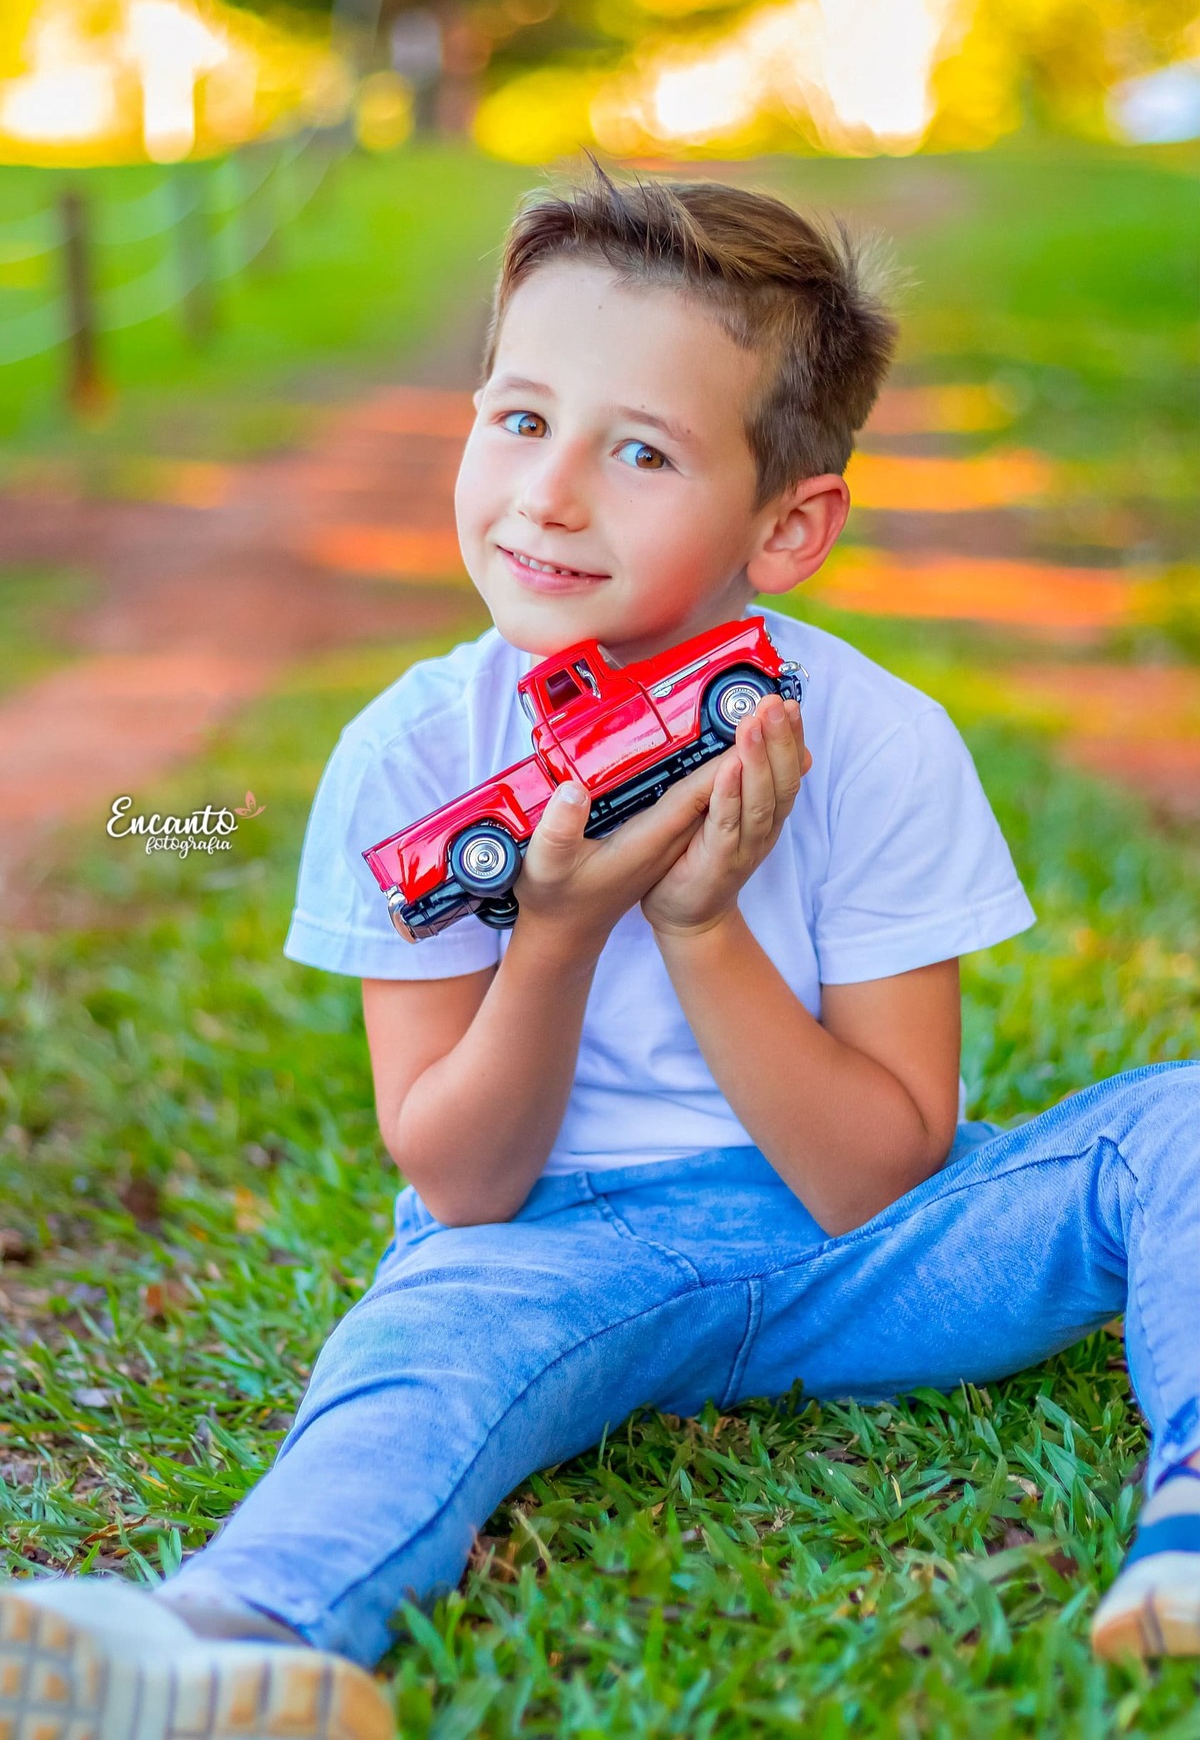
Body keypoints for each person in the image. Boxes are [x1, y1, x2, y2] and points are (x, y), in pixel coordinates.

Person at [3, 160, 1197, 1735]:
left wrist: (700, 925)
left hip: (869, 1256)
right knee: (417, 1351)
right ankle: (229, 1631)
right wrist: (556, 936)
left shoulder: (880, 739)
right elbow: (462, 1185)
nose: (550, 495)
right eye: (520, 418)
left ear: (788, 524)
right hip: (542, 1242)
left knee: (1179, 1122)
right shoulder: (414, 754)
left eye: (639, 450)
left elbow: (877, 1179)